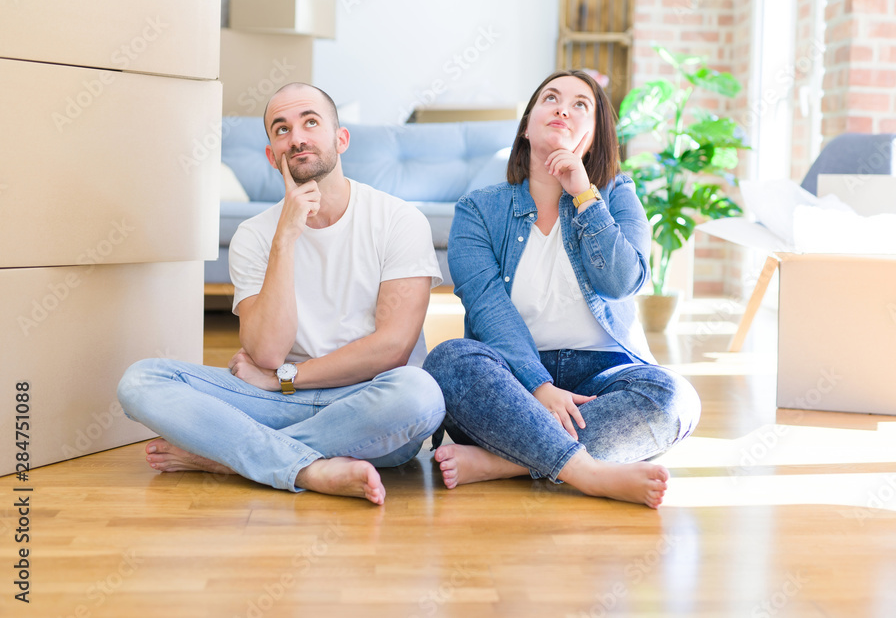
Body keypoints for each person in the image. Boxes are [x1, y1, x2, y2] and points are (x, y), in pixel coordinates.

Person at [118, 83, 445, 505]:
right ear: (272, 155)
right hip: (275, 402)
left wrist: (282, 379)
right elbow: (267, 351)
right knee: (141, 380)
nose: (297, 138)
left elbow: (393, 348)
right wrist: (286, 237)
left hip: (364, 401)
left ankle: (227, 457)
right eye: (282, 129)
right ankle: (305, 467)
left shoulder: (399, 220)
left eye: (310, 122)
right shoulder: (255, 235)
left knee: (420, 393)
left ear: (341, 139)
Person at [423, 70, 701, 509]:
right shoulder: (478, 210)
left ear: (595, 135)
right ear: (526, 126)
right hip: (510, 384)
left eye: (580, 105)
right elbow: (488, 311)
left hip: (602, 378)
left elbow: (622, 283)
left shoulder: (618, 195)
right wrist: (539, 387)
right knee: (448, 360)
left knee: (674, 399)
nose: (563, 109)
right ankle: (588, 473)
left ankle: (506, 462)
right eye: (551, 98)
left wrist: (585, 195)